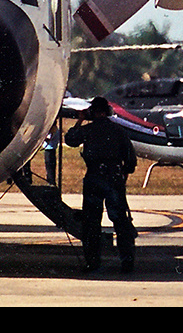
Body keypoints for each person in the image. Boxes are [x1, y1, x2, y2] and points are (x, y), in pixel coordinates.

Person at [63, 96, 137, 273]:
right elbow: (131, 161)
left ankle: (92, 262)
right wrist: (123, 175)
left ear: (91, 112)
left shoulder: (88, 130)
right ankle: (127, 262)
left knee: (91, 223)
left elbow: (70, 139)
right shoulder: (119, 131)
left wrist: (80, 120)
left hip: (94, 178)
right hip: (114, 178)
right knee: (120, 221)